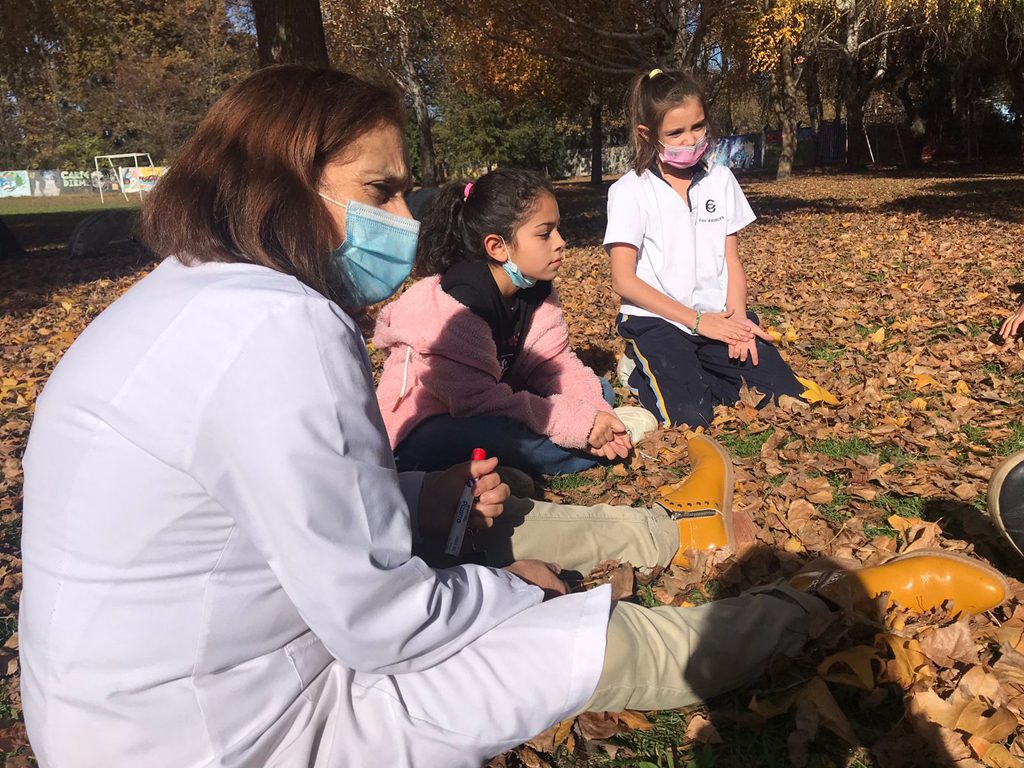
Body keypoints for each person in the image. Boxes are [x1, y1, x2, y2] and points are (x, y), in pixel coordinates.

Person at [18, 66, 1010, 768]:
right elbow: (380, 622)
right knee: (557, 642)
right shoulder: (276, 326)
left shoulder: (174, 301)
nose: (403, 219)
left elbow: (286, 526)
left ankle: (673, 532)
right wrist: (514, 598)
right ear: (282, 182)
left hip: (150, 710)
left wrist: (433, 501)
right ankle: (821, 607)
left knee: (465, 509)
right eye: (378, 191)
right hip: (244, 732)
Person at [375, 169, 651, 476]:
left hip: (494, 398)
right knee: (499, 436)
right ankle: (589, 448)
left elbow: (556, 363)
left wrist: (595, 413)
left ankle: (595, 436)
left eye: (558, 229)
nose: (561, 241)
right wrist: (579, 423)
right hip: (429, 424)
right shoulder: (461, 304)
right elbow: (477, 403)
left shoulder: (535, 287)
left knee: (599, 390)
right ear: (497, 247)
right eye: (545, 233)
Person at [605, 68, 807, 429]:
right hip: (659, 321)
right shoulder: (628, 191)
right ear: (647, 134)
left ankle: (692, 370)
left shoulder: (721, 179)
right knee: (691, 417)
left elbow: (731, 260)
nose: (690, 139)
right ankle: (639, 370)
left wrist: (739, 320)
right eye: (676, 133)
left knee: (784, 393)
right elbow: (623, 280)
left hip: (719, 319)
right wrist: (698, 322)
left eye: (697, 127)